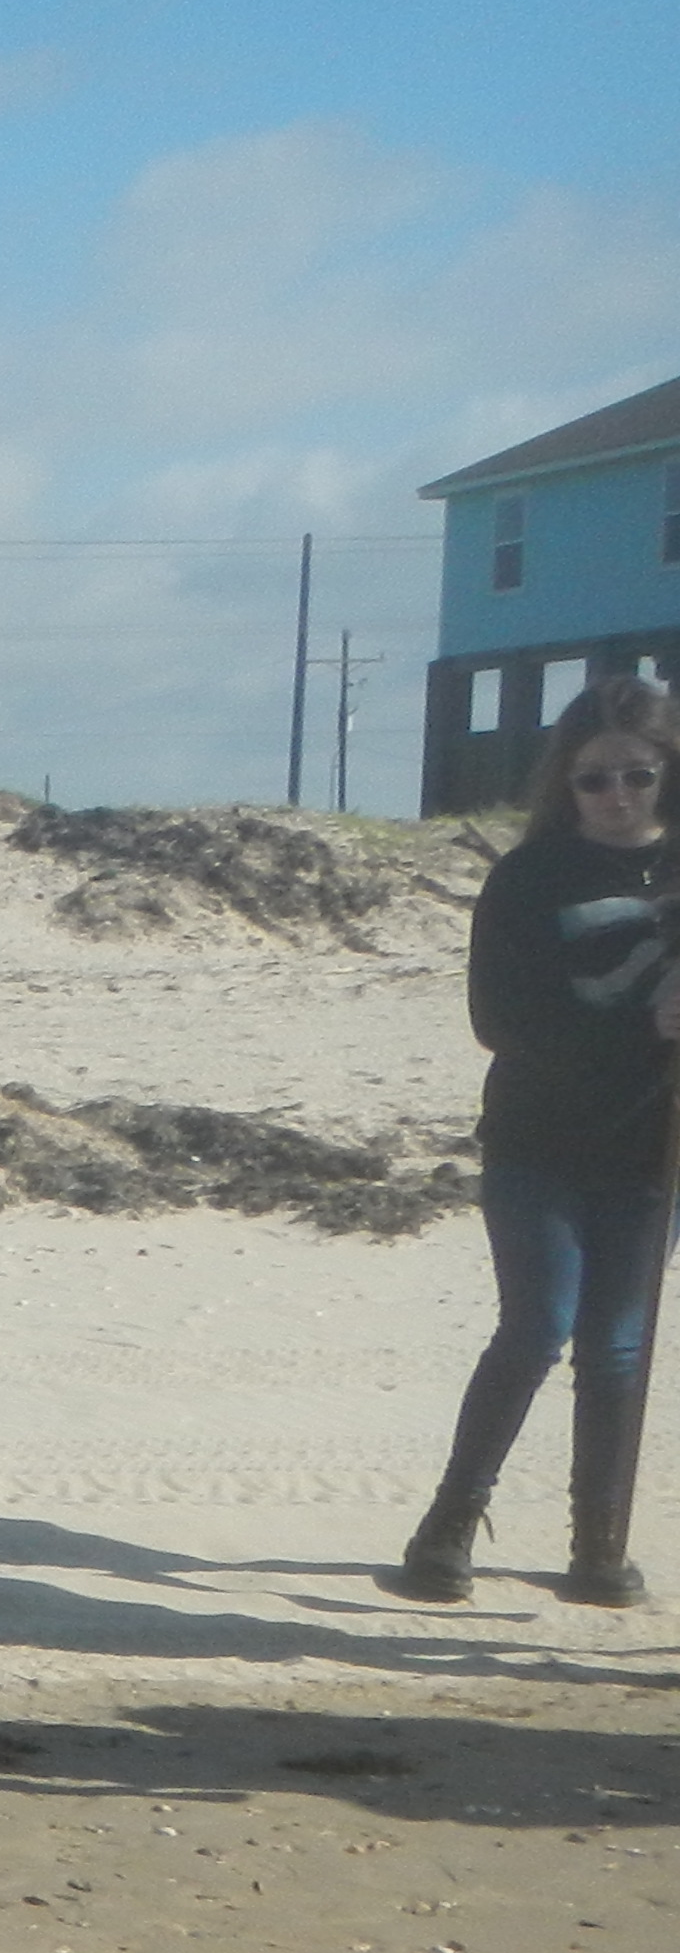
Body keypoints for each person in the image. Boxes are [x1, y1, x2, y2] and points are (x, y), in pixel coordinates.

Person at [388, 673, 680, 1606]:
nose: (619, 795)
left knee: (619, 1349)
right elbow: (498, 1018)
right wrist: (646, 1022)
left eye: (637, 774)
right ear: (567, 782)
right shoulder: (529, 878)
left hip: (652, 1157)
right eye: (596, 779)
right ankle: (447, 1527)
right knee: (536, 1328)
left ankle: (598, 1547)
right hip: (536, 1147)